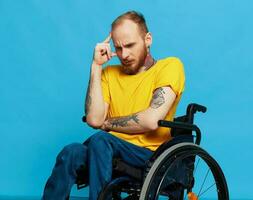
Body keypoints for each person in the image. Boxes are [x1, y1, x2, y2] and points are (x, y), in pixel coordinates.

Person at [42, 10, 185, 200]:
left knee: (101, 139)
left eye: (130, 45)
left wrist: (108, 124)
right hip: (106, 151)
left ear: (147, 39)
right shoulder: (109, 74)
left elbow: (151, 120)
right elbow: (94, 119)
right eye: (118, 48)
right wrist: (96, 66)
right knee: (71, 152)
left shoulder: (169, 66)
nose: (124, 54)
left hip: (149, 155)